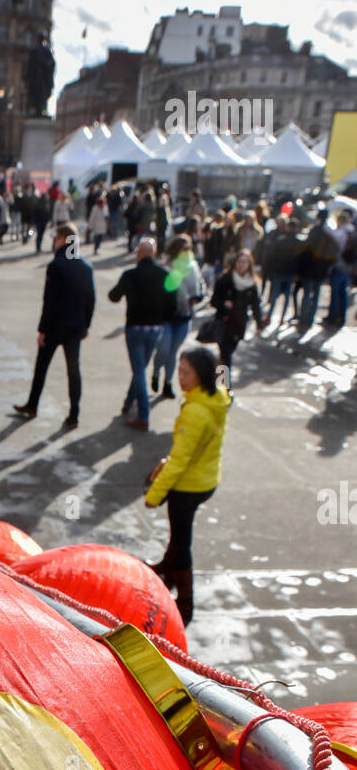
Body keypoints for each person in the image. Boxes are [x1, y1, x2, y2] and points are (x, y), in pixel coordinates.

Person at [144, 347, 230, 625]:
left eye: (186, 372)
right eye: (179, 370)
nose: (181, 377)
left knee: (182, 540)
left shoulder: (195, 411)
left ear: (202, 374)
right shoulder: (214, 398)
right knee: (179, 535)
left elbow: (179, 462)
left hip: (189, 485)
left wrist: (154, 495)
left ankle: (185, 601)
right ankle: (167, 569)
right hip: (206, 478)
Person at [12, 224, 95, 430]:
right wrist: (86, 325)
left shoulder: (57, 265)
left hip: (55, 326)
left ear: (62, 240)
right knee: (73, 370)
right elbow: (90, 300)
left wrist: (42, 329)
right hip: (75, 327)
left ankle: (32, 404)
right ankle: (74, 412)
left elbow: (49, 301)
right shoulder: (85, 267)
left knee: (42, 367)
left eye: (56, 238)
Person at [108, 237, 177, 431]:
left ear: (138, 254)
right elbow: (173, 305)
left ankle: (143, 414)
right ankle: (129, 401)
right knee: (140, 368)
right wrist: (162, 318)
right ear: (153, 254)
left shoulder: (130, 275)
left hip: (135, 328)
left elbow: (113, 296)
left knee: (139, 370)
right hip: (155, 329)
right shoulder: (165, 274)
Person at [151, 237, 204, 400]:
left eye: (188, 249)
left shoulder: (193, 267)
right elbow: (158, 289)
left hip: (184, 316)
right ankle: (156, 372)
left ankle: (168, 383)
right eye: (182, 249)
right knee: (163, 350)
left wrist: (198, 297)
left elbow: (201, 286)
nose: (185, 252)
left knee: (173, 352)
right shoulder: (166, 266)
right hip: (166, 317)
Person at [211, 249, 264, 384]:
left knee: (227, 353)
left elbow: (255, 305)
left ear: (249, 264)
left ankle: (218, 375)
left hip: (239, 324)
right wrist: (224, 304)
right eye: (239, 262)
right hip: (224, 321)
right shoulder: (225, 279)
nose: (241, 265)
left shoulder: (251, 284)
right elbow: (214, 300)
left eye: (245, 262)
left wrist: (259, 324)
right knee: (226, 354)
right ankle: (225, 386)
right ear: (235, 263)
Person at [325, 210, 356, 327]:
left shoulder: (341, 232)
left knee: (335, 292)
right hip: (349, 266)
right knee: (344, 292)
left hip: (339, 265)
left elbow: (332, 237)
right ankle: (342, 316)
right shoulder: (353, 232)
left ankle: (332, 315)